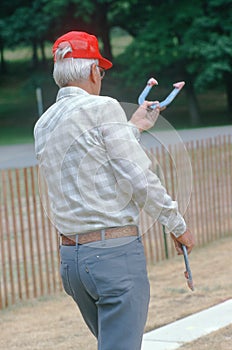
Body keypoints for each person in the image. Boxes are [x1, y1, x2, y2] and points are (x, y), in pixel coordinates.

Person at [34, 31, 194, 350]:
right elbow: (138, 176)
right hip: (114, 255)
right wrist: (177, 224)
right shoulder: (102, 107)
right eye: (101, 71)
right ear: (94, 71)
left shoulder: (44, 123)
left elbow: (89, 158)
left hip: (72, 261)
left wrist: (132, 128)